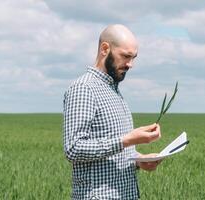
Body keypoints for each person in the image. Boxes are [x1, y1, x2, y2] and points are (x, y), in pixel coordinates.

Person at [63, 24, 162, 200]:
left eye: (134, 58)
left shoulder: (113, 90)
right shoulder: (84, 88)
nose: (130, 64)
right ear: (105, 49)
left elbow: (114, 148)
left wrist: (139, 160)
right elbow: (73, 148)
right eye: (125, 56)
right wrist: (128, 139)